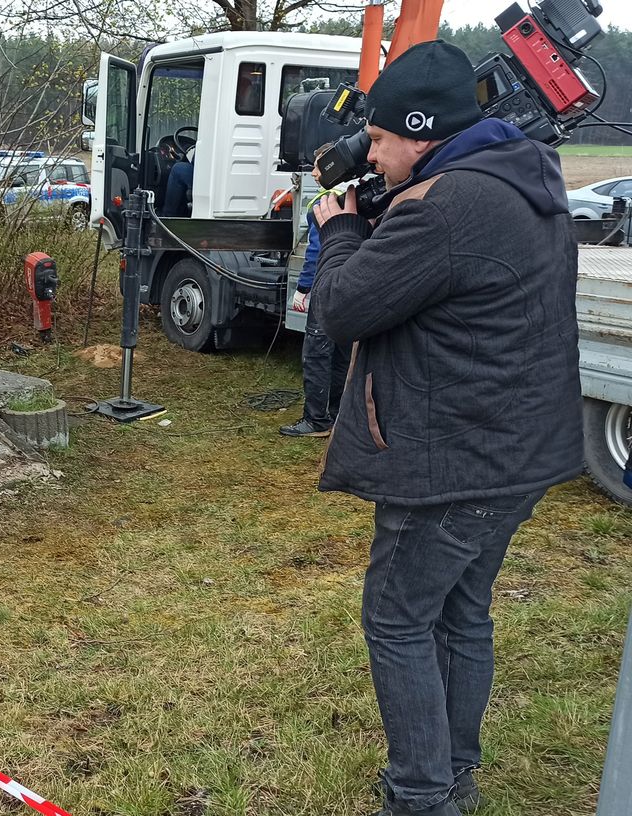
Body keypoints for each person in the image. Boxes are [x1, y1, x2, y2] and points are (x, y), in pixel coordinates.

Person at [310, 41, 582, 815]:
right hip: (516, 449)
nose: (375, 153)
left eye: (383, 140)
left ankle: (422, 797)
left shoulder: (442, 208)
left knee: (396, 618)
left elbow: (340, 309)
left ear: (421, 135)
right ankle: (453, 770)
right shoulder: (518, 178)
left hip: (455, 461)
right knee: (461, 610)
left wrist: (338, 228)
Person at [281, 143, 350, 438]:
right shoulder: (352, 195)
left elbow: (317, 251)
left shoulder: (324, 203)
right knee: (341, 354)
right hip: (350, 286)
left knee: (317, 354)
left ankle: (316, 420)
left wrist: (303, 287)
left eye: (319, 167)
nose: (313, 173)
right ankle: (337, 414)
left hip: (326, 287)